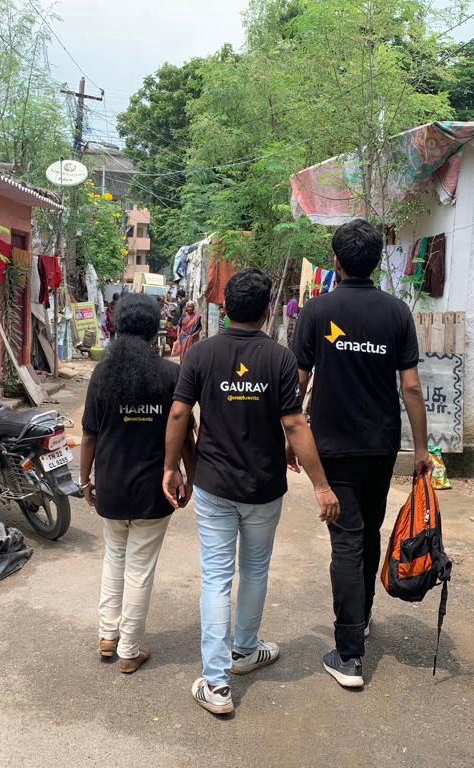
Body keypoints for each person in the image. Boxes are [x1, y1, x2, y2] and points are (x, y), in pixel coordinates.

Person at [163, 267, 339, 716]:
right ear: (267, 311)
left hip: (214, 485)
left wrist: (170, 467)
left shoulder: (200, 354)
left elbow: (180, 413)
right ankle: (243, 650)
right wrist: (321, 486)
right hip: (264, 486)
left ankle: (217, 683)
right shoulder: (279, 359)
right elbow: (295, 423)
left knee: (217, 576)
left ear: (224, 307)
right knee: (255, 569)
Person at [290, 218, 431, 690]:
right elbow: (410, 386)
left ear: (335, 261)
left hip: (332, 446)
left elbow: (298, 386)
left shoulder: (316, 311)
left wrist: (291, 440)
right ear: (376, 261)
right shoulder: (396, 313)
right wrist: (422, 449)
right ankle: (363, 618)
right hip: (381, 444)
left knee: (348, 541)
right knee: (368, 531)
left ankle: (349, 654)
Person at [80, 293, 194, 674]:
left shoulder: (101, 373)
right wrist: (188, 474)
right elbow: (186, 434)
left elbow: (90, 435)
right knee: (140, 567)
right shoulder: (169, 374)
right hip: (153, 489)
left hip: (111, 484)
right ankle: (129, 649)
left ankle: (107, 635)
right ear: (153, 329)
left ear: (117, 325)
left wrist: (84, 481)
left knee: (115, 558)